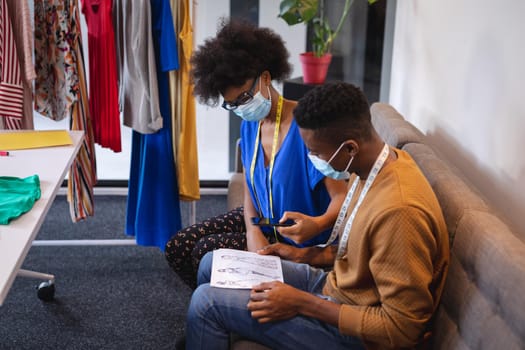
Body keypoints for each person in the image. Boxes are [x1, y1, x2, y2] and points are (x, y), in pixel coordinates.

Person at [184, 82, 450, 350]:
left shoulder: (399, 212)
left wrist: (302, 303)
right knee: (211, 262)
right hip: (337, 287)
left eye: (315, 152)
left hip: (357, 333)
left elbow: (401, 329)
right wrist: (301, 255)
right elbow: (360, 253)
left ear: (350, 148)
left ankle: (212, 325)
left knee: (206, 304)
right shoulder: (375, 165)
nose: (312, 159)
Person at [164, 19, 347, 288]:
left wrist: (318, 224)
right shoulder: (251, 124)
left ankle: (227, 308)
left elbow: (342, 196)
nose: (240, 108)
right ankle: (225, 307)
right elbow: (251, 185)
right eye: (231, 104)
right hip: (263, 221)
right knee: (179, 246)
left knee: (204, 251)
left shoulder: (307, 126)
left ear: (265, 78)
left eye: (243, 98)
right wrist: (252, 230)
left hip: (298, 238)